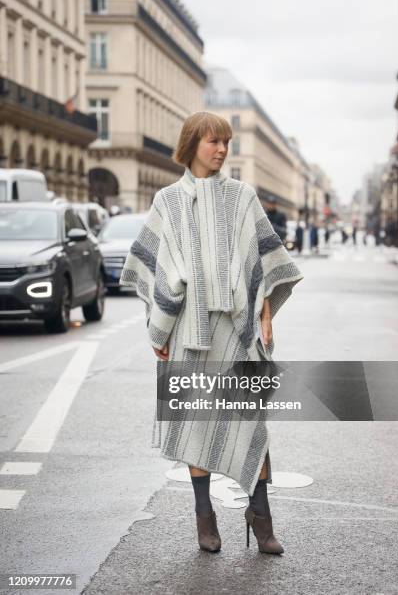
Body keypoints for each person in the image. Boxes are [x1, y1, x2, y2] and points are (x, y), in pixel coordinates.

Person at [119, 111, 304, 555]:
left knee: (250, 423)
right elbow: (155, 267)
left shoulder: (243, 197)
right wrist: (159, 330)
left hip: (237, 331)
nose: (222, 150)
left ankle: (261, 518)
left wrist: (265, 312)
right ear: (191, 145)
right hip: (188, 331)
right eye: (213, 142)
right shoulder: (168, 200)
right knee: (196, 427)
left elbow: (265, 260)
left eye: (226, 142)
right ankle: (205, 518)